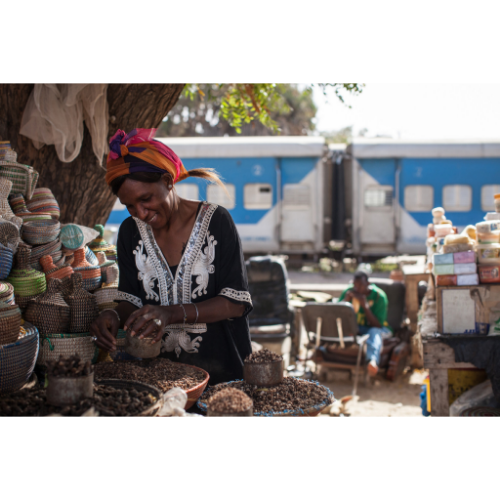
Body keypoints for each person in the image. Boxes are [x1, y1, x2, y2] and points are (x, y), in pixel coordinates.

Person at [90, 128, 253, 384]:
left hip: (222, 376)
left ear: (168, 181)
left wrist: (172, 313)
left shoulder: (217, 221)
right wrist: (114, 316)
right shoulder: (130, 232)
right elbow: (131, 299)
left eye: (146, 199)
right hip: (157, 379)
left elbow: (235, 302)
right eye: (130, 206)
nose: (140, 213)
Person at [337, 271, 390, 376]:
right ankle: (320, 351)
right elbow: (335, 314)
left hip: (375, 329)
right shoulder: (349, 291)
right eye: (355, 285)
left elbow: (378, 325)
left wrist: (365, 306)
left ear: (368, 284)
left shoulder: (379, 296)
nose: (357, 289)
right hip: (355, 328)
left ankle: (372, 361)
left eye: (360, 285)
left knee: (374, 332)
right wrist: (346, 301)